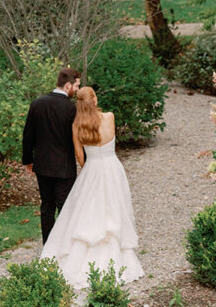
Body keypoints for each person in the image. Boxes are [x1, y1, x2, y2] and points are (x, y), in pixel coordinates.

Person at [40, 85, 143, 289]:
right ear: (94, 99)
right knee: (114, 208)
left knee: (88, 211)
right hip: (112, 167)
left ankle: (80, 258)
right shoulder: (110, 117)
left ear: (79, 104)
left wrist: (88, 169)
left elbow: (80, 155)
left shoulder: (77, 125)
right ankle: (117, 255)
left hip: (92, 168)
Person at [22, 66, 82, 243]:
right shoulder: (71, 108)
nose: (77, 90)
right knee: (65, 207)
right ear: (68, 85)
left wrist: (28, 160)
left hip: (42, 165)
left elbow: (28, 135)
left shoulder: (37, 103)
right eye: (76, 86)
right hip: (64, 166)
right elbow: (77, 139)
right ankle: (64, 245)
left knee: (47, 206)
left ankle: (48, 246)